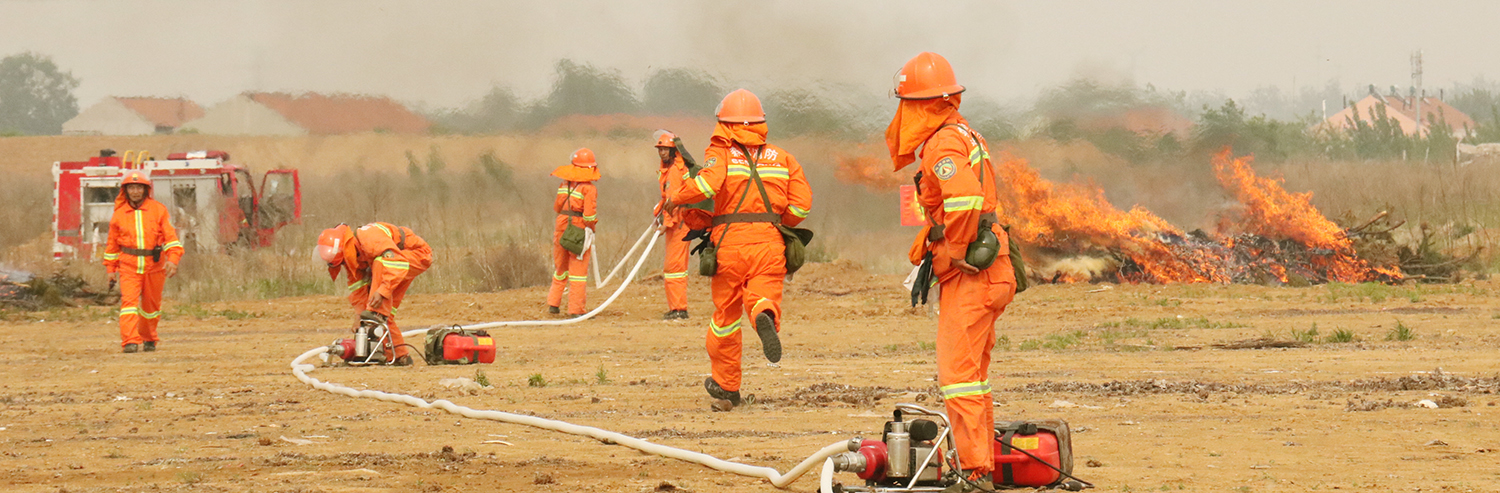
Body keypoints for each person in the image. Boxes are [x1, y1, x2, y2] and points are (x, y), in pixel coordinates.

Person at [887, 52, 1017, 491]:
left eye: (906, 104)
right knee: (974, 377)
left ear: (921, 105)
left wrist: (957, 248)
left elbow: (962, 199)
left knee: (958, 377)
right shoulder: (965, 133)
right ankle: (981, 463)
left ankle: (975, 471)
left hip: (973, 274)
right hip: (994, 270)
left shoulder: (943, 143)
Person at [669, 89, 812, 408]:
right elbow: (802, 205)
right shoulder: (783, 157)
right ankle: (763, 312)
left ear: (725, 123)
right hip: (770, 242)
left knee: (726, 317)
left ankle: (727, 387)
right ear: (760, 122)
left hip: (730, 244)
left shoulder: (719, 151)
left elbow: (708, 185)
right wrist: (779, 220)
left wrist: (677, 197)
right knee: (764, 293)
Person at [315, 222, 434, 366]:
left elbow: (394, 262)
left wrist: (382, 291)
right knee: (383, 315)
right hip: (397, 265)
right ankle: (399, 356)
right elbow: (358, 290)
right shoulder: (352, 258)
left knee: (377, 308)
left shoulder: (368, 237)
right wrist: (359, 315)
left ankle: (377, 323)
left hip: (416, 255)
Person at [103, 170, 184, 353]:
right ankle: (130, 341)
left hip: (154, 266)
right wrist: (110, 269)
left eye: (139, 187)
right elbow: (112, 245)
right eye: (132, 187)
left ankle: (149, 337)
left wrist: (173, 259)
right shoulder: (119, 214)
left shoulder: (158, 210)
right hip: (129, 265)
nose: (135, 191)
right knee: (129, 305)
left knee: (151, 307)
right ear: (126, 190)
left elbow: (171, 238)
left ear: (146, 189)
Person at [547, 148, 600, 316]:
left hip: (561, 226)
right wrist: (591, 229)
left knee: (560, 268)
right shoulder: (589, 189)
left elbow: (556, 207)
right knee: (578, 272)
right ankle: (576, 310)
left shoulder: (564, 185)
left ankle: (553, 304)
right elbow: (589, 215)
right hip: (578, 228)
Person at [652, 131, 691, 320]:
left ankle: (679, 309)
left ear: (674, 150)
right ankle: (677, 307)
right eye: (660, 150)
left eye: (665, 150)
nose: (662, 153)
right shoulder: (672, 169)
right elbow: (667, 199)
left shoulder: (675, 171)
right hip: (679, 222)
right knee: (676, 267)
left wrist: (665, 224)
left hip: (679, 224)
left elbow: (674, 201)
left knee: (673, 267)